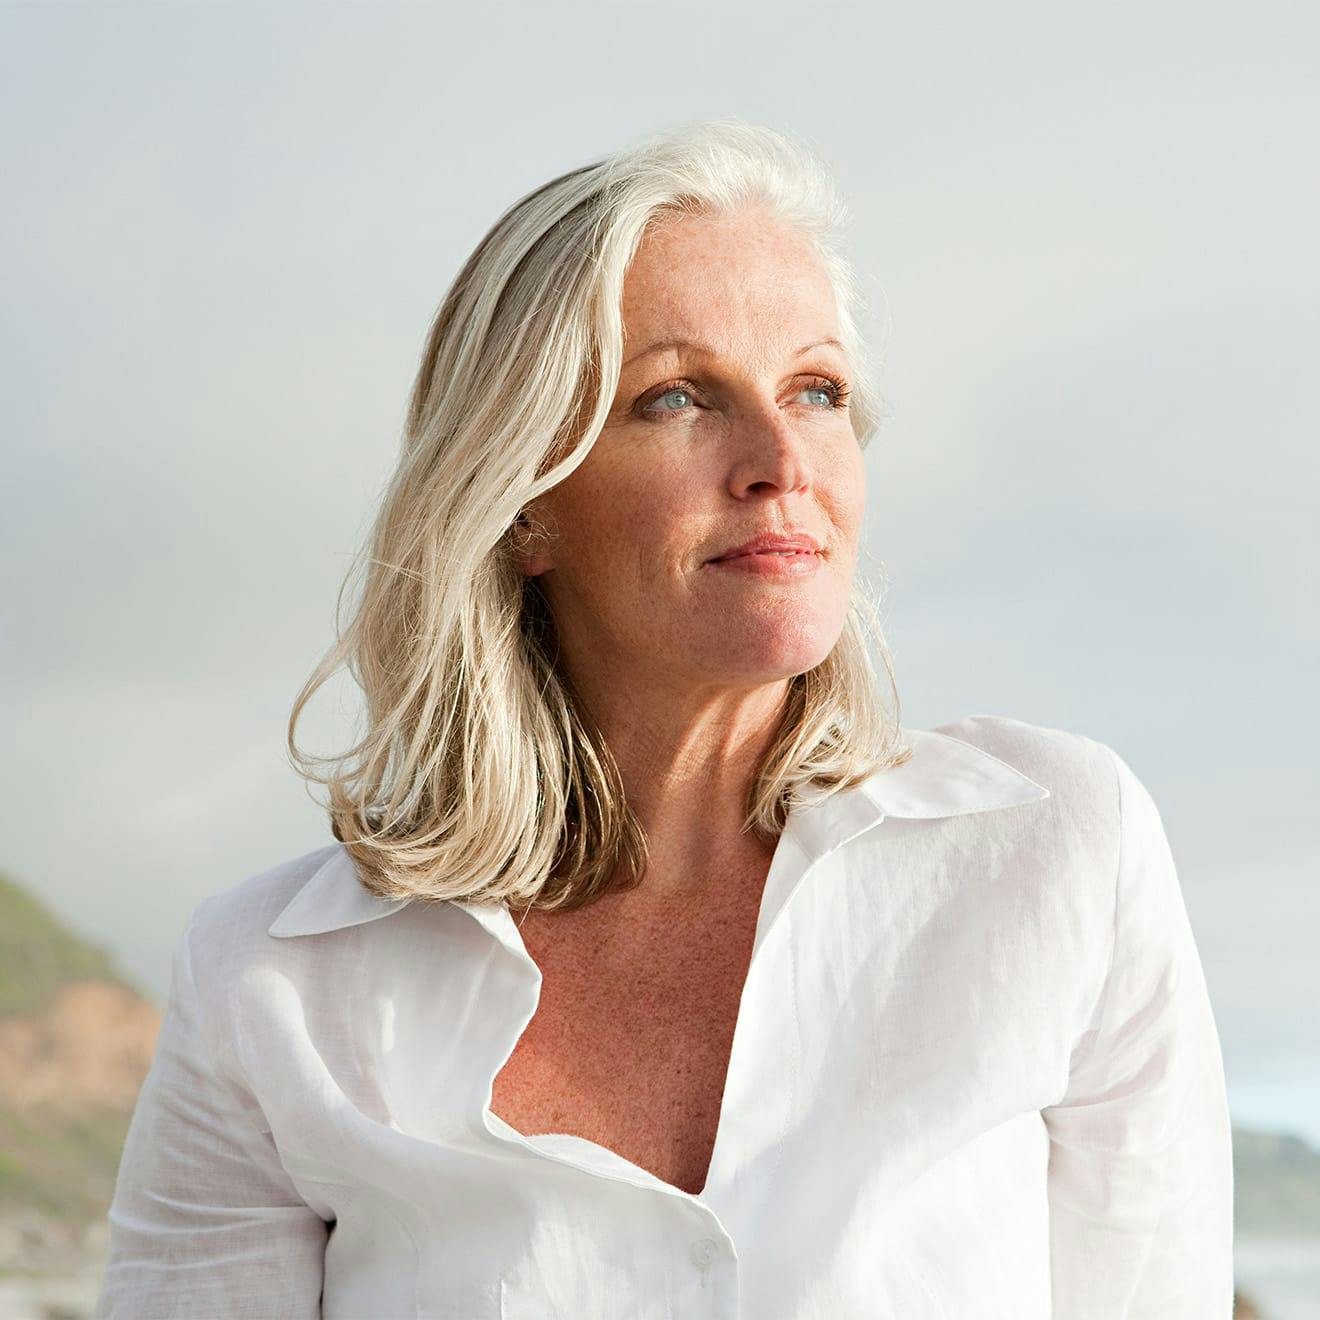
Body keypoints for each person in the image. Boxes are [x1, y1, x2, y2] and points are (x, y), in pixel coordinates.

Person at [94, 118, 1234, 1319]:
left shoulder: (1058, 852)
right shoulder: (271, 986)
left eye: (816, 390)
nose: (782, 460)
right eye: (676, 396)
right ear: (523, 505)